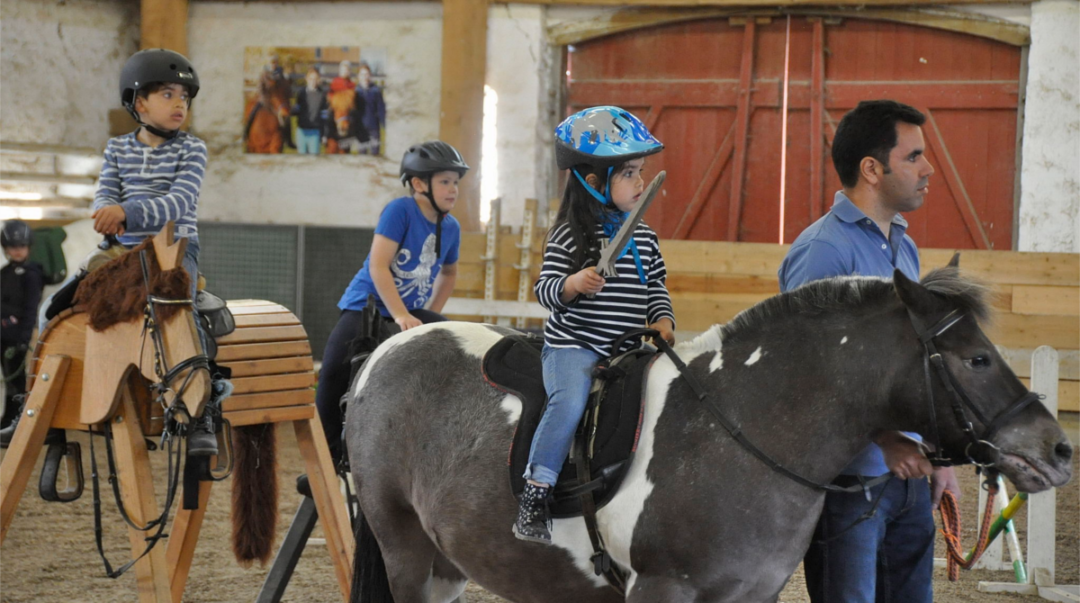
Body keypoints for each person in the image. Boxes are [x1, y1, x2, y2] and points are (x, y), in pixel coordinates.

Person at [777, 99, 961, 603]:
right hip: (851, 480)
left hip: (908, 476)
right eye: (914, 157)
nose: (928, 170)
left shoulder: (904, 245)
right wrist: (885, 440)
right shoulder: (822, 251)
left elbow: (913, 363)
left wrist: (937, 454)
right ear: (872, 169)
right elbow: (806, 372)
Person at [513, 106, 675, 544]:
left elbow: (655, 285)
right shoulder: (568, 234)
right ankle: (537, 491)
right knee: (568, 403)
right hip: (576, 347)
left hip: (627, 348)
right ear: (591, 179)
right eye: (628, 173)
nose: (641, 182)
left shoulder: (644, 236)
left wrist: (661, 318)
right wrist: (573, 284)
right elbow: (544, 291)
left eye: (640, 172)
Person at [92, 48, 227, 457]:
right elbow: (104, 195)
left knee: (182, 316)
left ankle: (203, 414)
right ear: (139, 102)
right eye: (168, 95)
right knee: (59, 305)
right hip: (122, 250)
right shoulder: (116, 149)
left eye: (184, 97)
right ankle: (29, 401)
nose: (179, 104)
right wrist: (104, 212)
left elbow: (178, 203)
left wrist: (124, 212)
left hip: (172, 247)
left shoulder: (192, 149)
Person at [315, 141, 468, 461]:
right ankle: (325, 454)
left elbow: (449, 273)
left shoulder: (451, 227)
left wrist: (428, 313)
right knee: (331, 372)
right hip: (367, 306)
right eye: (444, 181)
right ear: (418, 184)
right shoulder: (400, 211)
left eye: (455, 182)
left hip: (408, 311)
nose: (453, 189)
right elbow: (378, 266)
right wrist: (400, 315)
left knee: (457, 344)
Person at [0, 221, 45, 446]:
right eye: (13, 246)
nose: (17, 250)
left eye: (22, 246)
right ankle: (7, 418)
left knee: (17, 382)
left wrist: (24, 338)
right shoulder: (4, 273)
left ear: (28, 247)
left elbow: (30, 310)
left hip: (16, 338)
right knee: (8, 380)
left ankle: (17, 421)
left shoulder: (32, 274)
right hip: (2, 336)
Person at [292, 67, 328, 154]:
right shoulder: (301, 93)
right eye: (311, 79)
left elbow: (324, 117)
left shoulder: (322, 95)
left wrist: (324, 134)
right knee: (302, 160)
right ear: (307, 79)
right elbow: (297, 110)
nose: (313, 81)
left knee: (313, 160)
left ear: (318, 79)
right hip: (302, 131)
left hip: (314, 132)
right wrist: (291, 110)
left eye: (315, 79)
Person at [354, 62, 385, 156]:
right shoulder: (355, 92)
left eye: (367, 74)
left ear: (370, 75)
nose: (365, 77)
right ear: (358, 76)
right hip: (361, 129)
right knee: (362, 155)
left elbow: (381, 110)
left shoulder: (376, 91)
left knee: (375, 155)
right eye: (362, 74)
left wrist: (385, 125)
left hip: (374, 129)